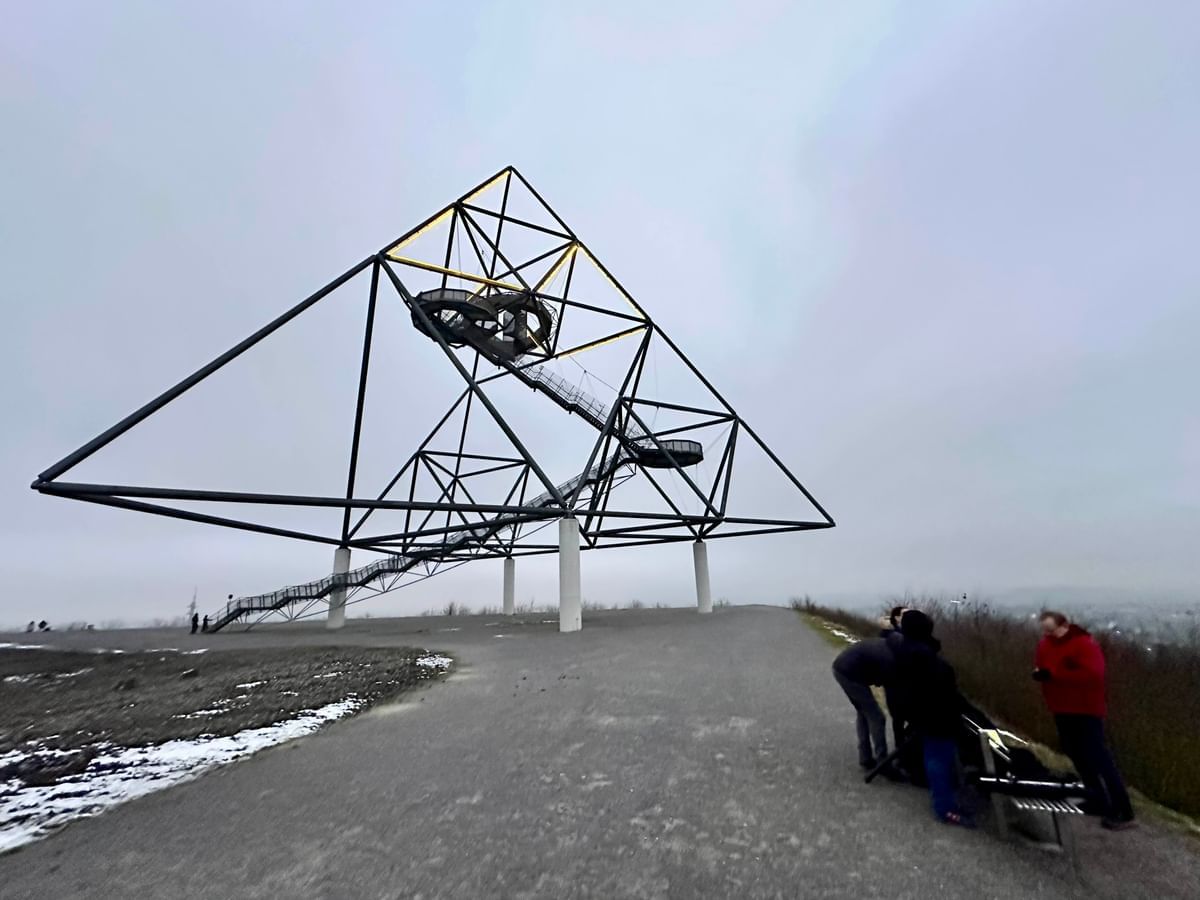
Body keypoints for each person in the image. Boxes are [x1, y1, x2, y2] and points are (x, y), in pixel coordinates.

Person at [1034, 610, 1134, 830]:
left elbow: (1094, 675)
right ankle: (1096, 797)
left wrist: (1055, 675)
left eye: (1051, 630)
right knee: (1076, 753)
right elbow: (1043, 665)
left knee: (1099, 756)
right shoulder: (1045, 645)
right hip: (1061, 708)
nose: (1048, 635)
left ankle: (1123, 809)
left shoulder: (1084, 645)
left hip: (1085, 709)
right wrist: (1041, 674)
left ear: (1064, 626)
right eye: (1045, 631)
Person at [888, 610, 974, 827]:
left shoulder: (907, 650)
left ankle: (947, 801)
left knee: (938, 758)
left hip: (925, 714)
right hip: (937, 716)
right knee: (938, 760)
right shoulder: (923, 657)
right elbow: (939, 688)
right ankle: (944, 809)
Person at [831, 630, 895, 771]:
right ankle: (883, 763)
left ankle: (865, 758)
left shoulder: (887, 646)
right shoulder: (890, 659)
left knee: (864, 712)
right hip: (849, 674)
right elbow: (887, 686)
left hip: (844, 668)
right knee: (877, 717)